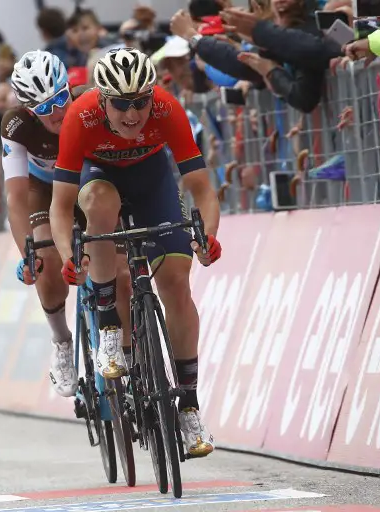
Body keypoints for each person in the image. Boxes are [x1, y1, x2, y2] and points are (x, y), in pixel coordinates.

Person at [50, 48, 222, 458]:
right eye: (121, 105)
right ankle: (109, 325)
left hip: (152, 182)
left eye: (140, 102)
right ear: (102, 99)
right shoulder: (81, 115)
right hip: (100, 180)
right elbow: (60, 206)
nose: (132, 115)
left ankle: (190, 406)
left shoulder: (166, 108)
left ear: (152, 95)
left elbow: (201, 187)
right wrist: (67, 256)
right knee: (100, 204)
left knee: (177, 287)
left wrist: (207, 236)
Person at [0, 49, 131, 398]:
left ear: (68, 88)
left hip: (89, 181)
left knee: (121, 271)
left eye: (59, 99)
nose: (56, 112)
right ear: (29, 110)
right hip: (43, 188)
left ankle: (129, 354)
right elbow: (15, 197)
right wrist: (27, 253)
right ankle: (61, 342)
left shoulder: (91, 101)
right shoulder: (15, 126)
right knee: (47, 261)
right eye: (43, 109)